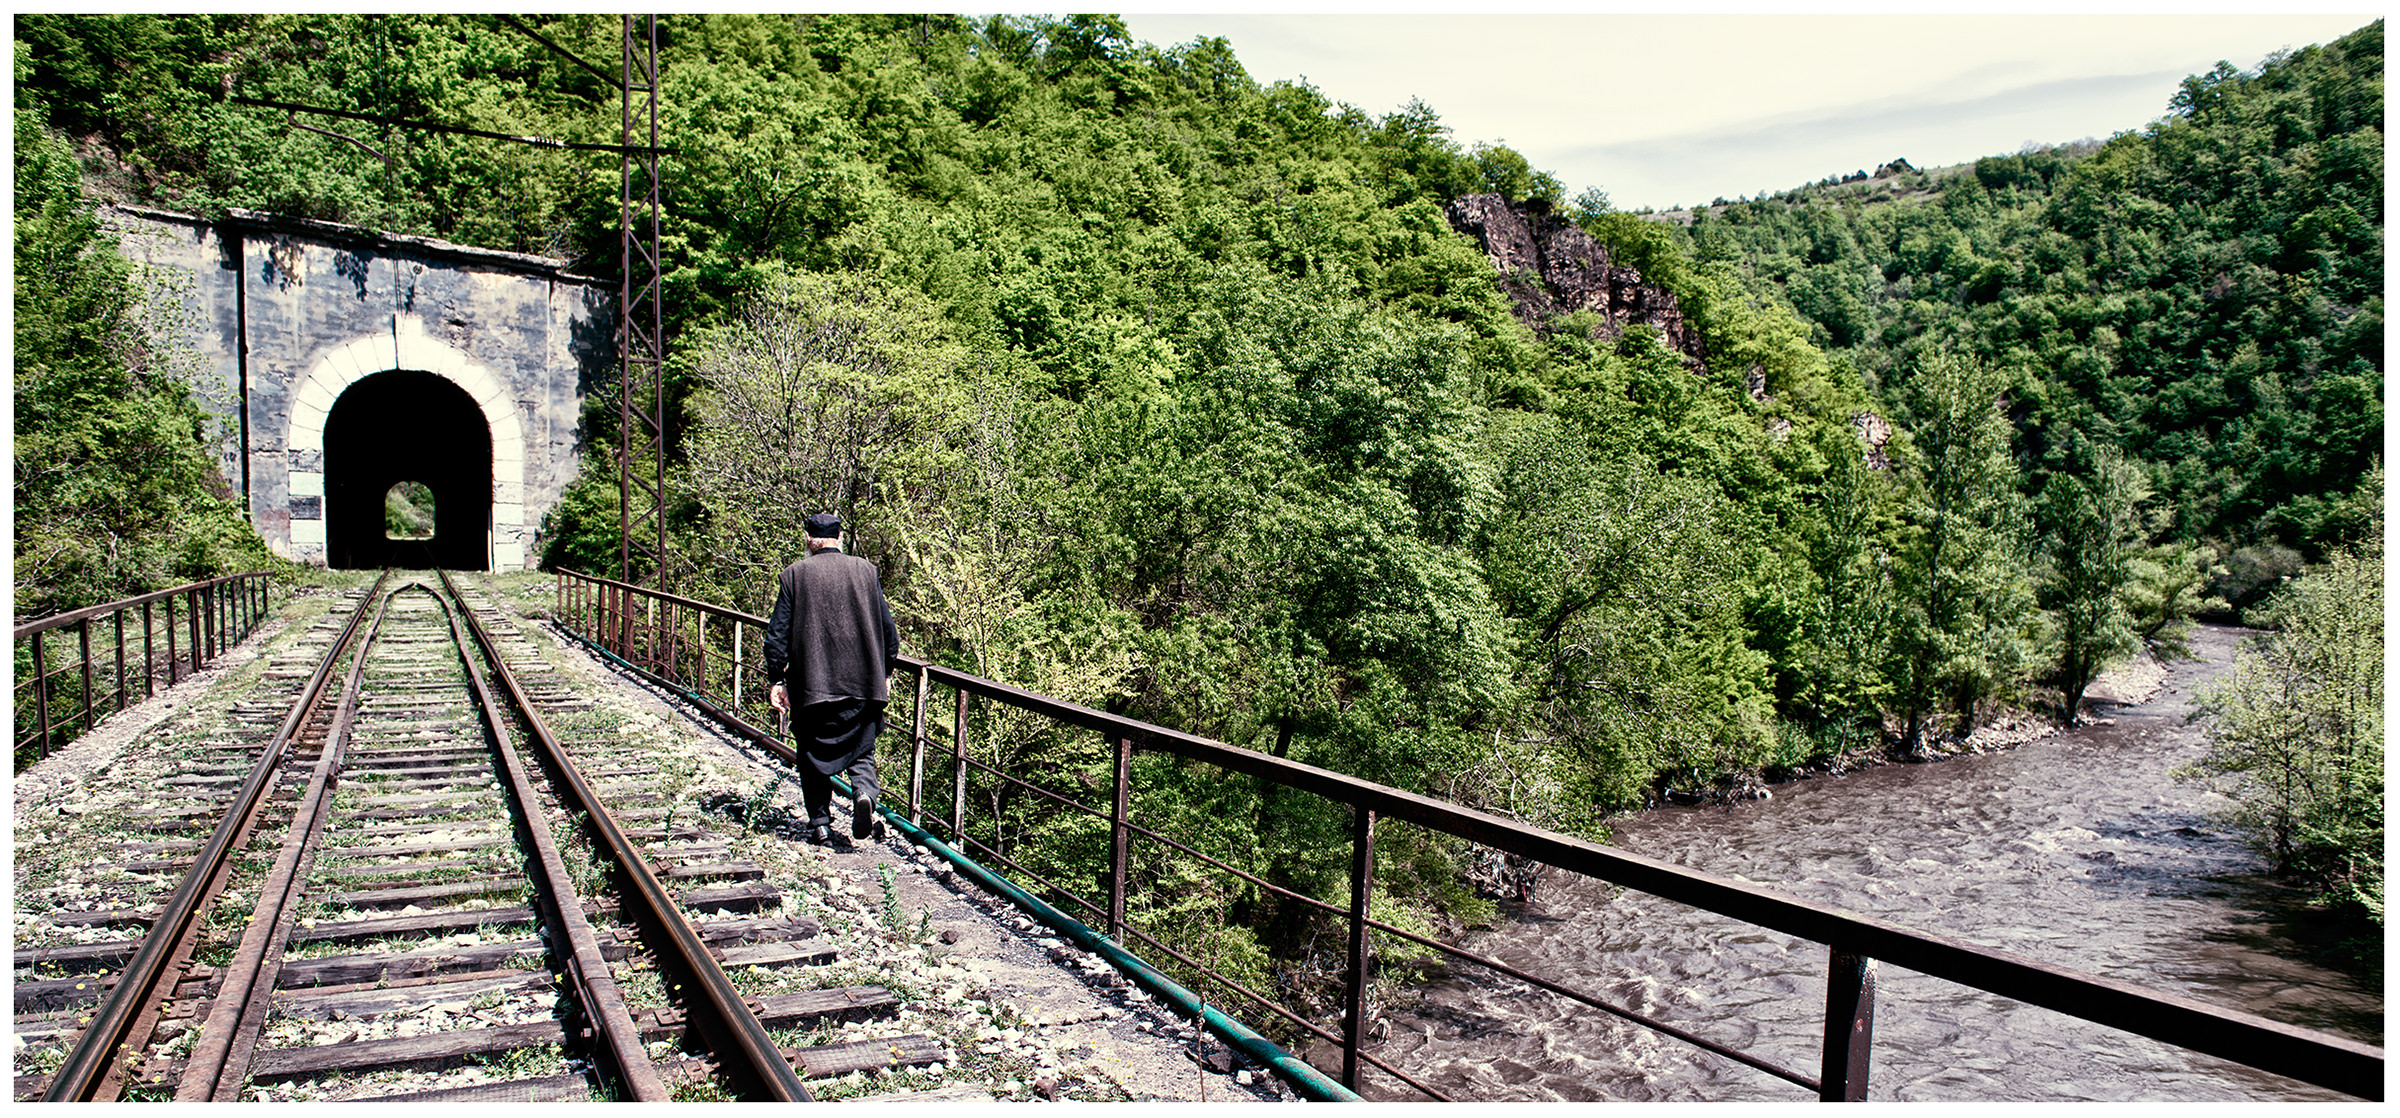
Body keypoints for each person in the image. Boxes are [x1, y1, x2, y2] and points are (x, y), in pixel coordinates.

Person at [764, 512, 898, 846]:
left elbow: (776, 636)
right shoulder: (866, 572)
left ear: (808, 538)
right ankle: (863, 795)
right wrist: (885, 673)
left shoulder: (794, 575)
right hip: (862, 685)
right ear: (840, 537)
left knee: (810, 753)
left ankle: (821, 823)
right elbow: (888, 631)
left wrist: (777, 679)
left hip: (812, 686)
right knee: (862, 749)